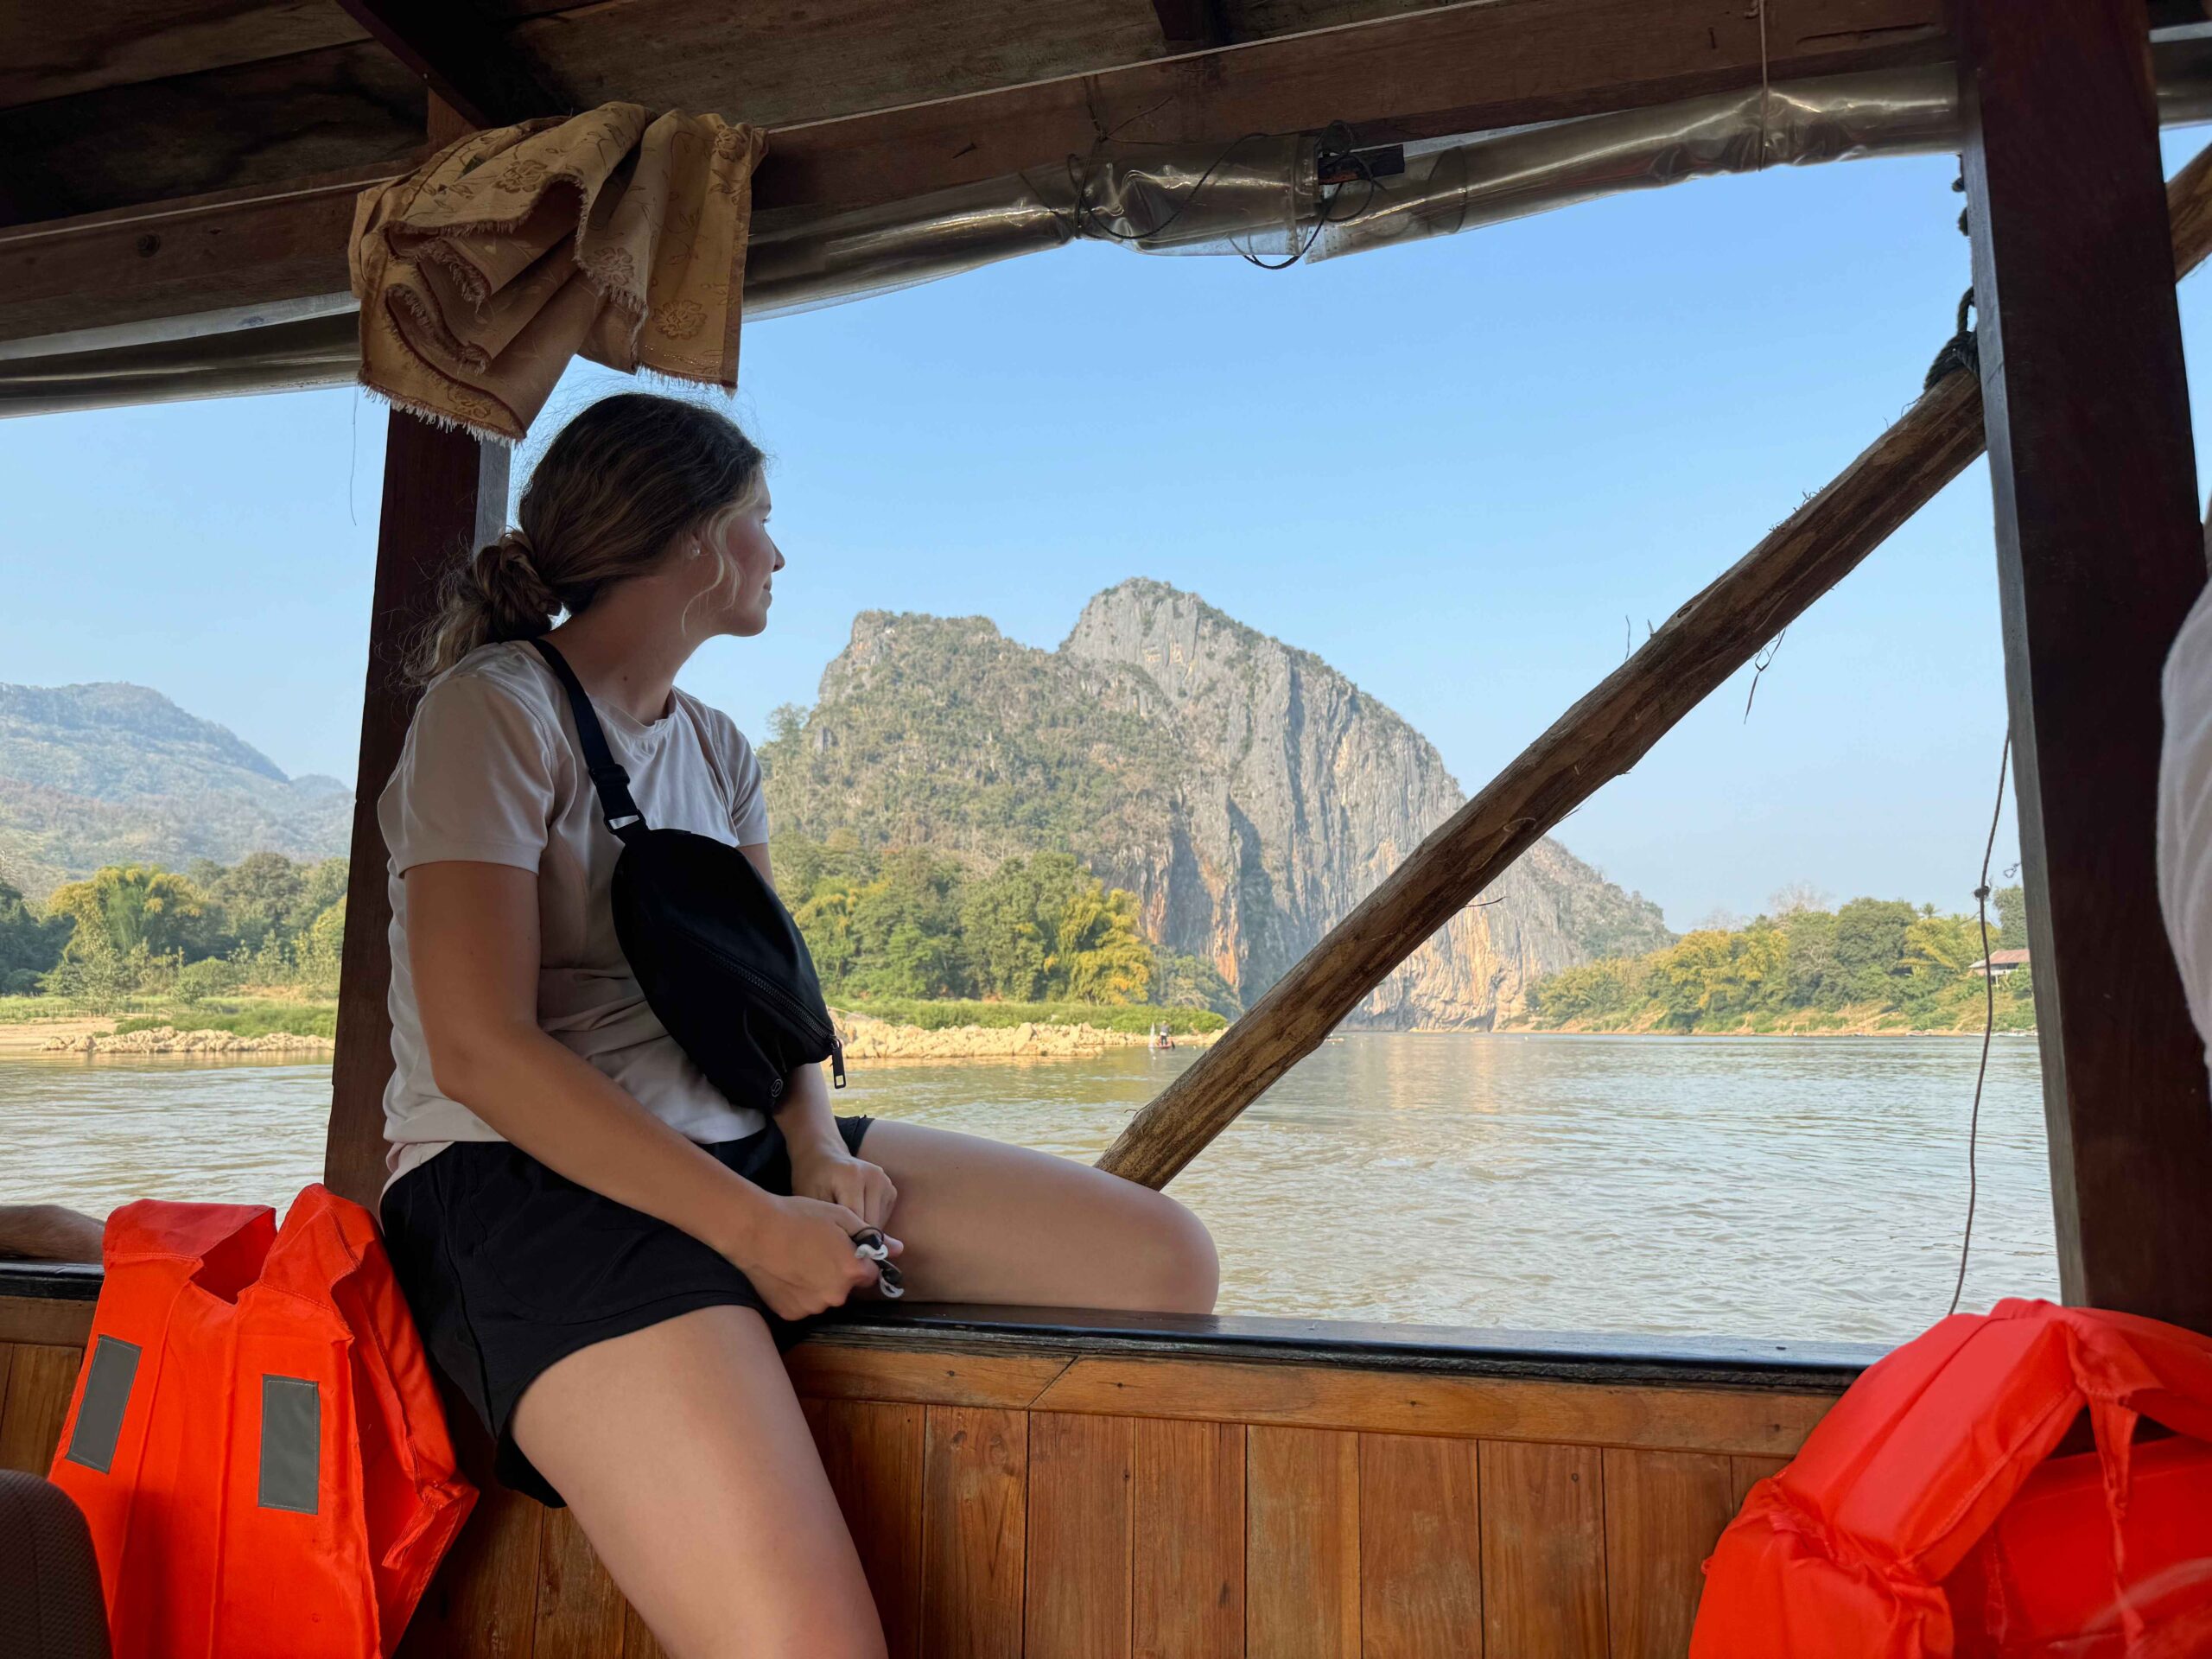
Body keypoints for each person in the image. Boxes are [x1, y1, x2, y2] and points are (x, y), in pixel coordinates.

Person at [375, 392, 1217, 1659]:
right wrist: (752, 1231)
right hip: (526, 1185)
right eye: (761, 523)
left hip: (748, 1146)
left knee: (1159, 1265)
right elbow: (480, 1050)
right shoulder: (495, 714)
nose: (779, 554)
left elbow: (774, 1003)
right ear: (696, 545)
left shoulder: (716, 752)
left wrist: (814, 1154)